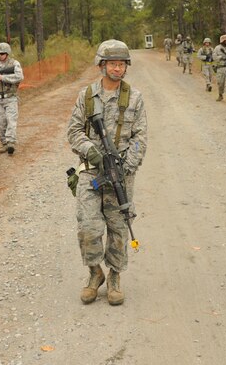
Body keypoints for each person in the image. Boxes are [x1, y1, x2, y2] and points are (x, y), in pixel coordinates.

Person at [66, 40, 148, 306]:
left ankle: (114, 278)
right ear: (101, 65)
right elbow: (74, 131)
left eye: (121, 64)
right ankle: (94, 274)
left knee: (118, 228)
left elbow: (140, 138)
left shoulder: (134, 98)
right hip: (91, 172)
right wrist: (92, 152)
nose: (117, 68)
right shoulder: (87, 96)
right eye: (112, 63)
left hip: (121, 174)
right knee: (88, 227)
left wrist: (125, 167)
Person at [0, 42, 24, 155]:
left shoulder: (14, 63)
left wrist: (2, 77)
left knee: (11, 120)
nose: (0, 55)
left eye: (3, 53)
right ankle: (4, 144)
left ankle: (11, 143)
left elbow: (19, 77)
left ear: (7, 53)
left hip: (10, 97)